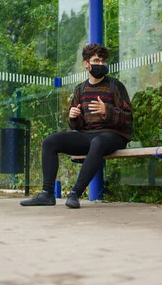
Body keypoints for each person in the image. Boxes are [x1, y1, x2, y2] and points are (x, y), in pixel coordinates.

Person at [21, 44, 133, 209]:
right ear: (86, 64)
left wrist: (107, 111)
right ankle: (47, 194)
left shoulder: (115, 86)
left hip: (113, 135)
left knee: (98, 142)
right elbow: (77, 126)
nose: (100, 64)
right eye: (96, 60)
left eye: (102, 61)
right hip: (87, 135)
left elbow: (128, 117)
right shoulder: (80, 89)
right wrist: (74, 117)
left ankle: (75, 193)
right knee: (50, 141)